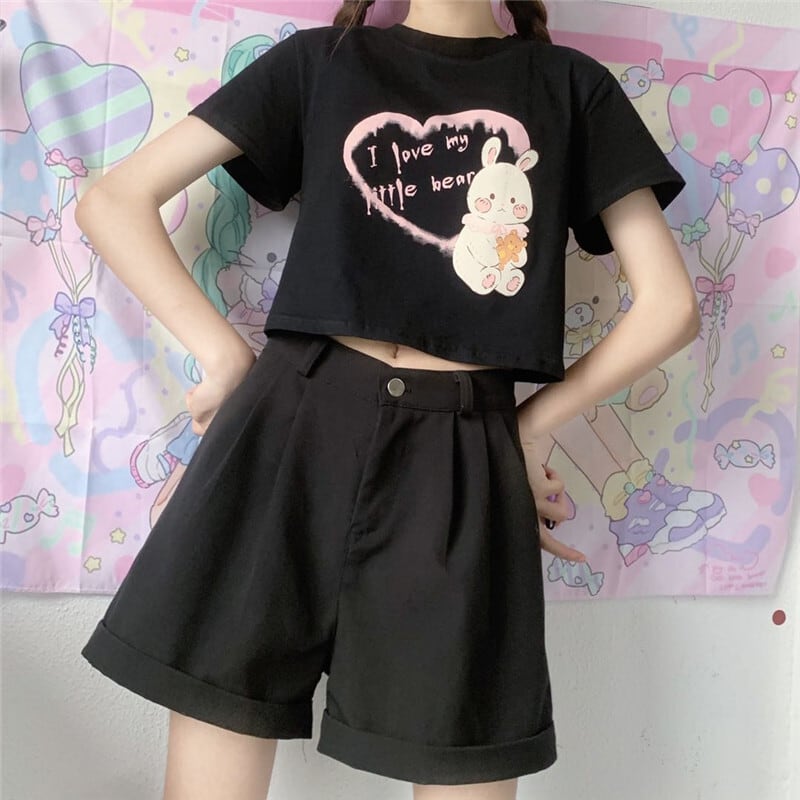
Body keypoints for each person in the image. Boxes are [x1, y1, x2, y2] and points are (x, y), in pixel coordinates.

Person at [76, 1, 700, 798]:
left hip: (462, 453)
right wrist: (223, 356)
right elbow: (113, 201)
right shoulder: (322, 62)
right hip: (291, 426)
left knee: (464, 755)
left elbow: (670, 307)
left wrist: (532, 426)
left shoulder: (572, 87)